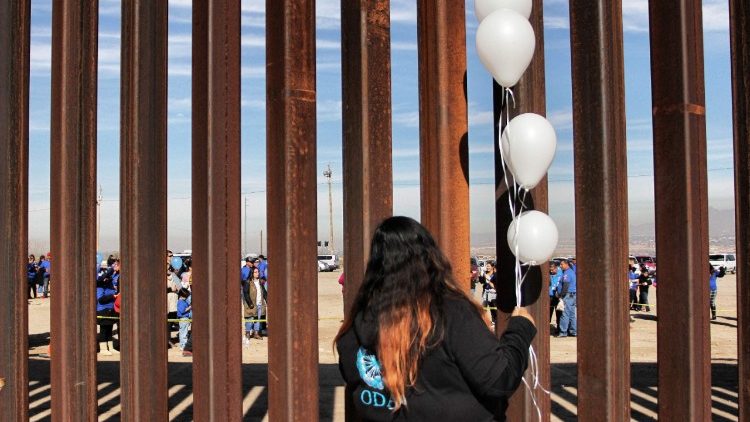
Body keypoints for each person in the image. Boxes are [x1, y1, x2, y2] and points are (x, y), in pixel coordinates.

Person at [335, 216, 536, 420]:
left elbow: (350, 373)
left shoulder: (361, 316)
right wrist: (520, 329)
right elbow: (499, 380)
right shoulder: (450, 312)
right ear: (431, 258)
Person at [96, 264, 119, 355]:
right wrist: (112, 296)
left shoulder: (110, 284)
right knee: (104, 329)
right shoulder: (100, 286)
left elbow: (112, 273)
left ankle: (111, 346)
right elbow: (101, 299)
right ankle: (103, 348)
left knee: (110, 328)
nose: (107, 279)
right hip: (103, 309)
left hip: (111, 308)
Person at [242, 267, 267, 343]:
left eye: (258, 272)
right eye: (255, 272)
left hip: (259, 304)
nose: (257, 273)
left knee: (257, 320)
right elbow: (246, 293)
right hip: (251, 304)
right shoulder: (247, 282)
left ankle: (256, 333)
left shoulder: (260, 282)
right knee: (249, 319)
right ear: (252, 273)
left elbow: (264, 292)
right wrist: (250, 303)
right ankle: (247, 333)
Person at [556, 259, 577, 337]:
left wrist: (561, 295)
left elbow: (565, 286)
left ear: (566, 264)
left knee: (564, 313)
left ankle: (563, 332)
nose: (560, 266)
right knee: (571, 314)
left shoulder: (567, 274)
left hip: (567, 296)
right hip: (572, 295)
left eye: (562, 264)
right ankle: (573, 331)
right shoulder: (571, 272)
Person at [549, 261, 563, 335]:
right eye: (550, 270)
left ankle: (558, 328)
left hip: (557, 296)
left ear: (556, 268)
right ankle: (548, 327)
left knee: (558, 313)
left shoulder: (561, 274)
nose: (551, 271)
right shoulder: (549, 274)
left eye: (552, 270)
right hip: (550, 296)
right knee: (549, 312)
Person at [482, 260, 497, 325]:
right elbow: (482, 282)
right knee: (484, 307)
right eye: (486, 266)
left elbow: (494, 282)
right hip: (486, 292)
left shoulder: (495, 274)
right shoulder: (485, 273)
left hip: (493, 293)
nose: (487, 267)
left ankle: (494, 321)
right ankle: (483, 321)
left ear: (492, 267)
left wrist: (488, 279)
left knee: (493, 308)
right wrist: (481, 277)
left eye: (488, 266)